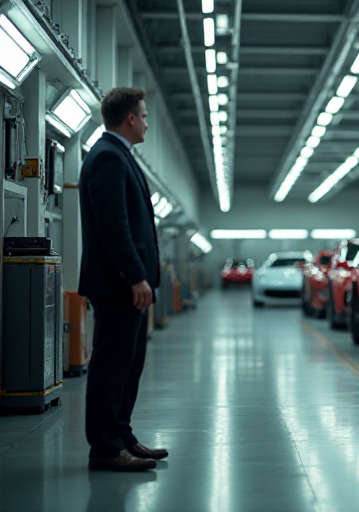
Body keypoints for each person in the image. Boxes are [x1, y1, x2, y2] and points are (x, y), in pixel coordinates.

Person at [79, 87, 167, 471]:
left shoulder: (118, 155)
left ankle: (122, 435)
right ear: (129, 118)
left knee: (128, 365)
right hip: (119, 286)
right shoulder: (107, 158)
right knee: (111, 366)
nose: (147, 122)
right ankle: (105, 447)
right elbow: (113, 226)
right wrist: (134, 277)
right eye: (144, 116)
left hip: (128, 287)